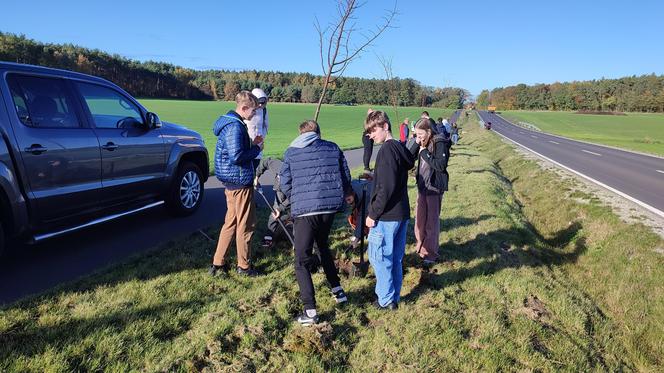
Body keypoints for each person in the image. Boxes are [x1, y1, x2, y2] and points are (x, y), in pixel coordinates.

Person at [280, 120, 353, 325]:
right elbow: (345, 176)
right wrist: (346, 193)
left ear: (300, 133)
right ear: (318, 133)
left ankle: (310, 311)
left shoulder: (291, 152)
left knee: (301, 260)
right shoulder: (333, 147)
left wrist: (296, 198)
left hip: (305, 211)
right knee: (322, 245)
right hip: (329, 209)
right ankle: (338, 290)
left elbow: (284, 183)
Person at [364, 110, 415, 310]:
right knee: (394, 258)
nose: (371, 135)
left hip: (386, 216)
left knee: (380, 258)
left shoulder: (386, 151)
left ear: (385, 126)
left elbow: (386, 188)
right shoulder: (399, 149)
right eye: (369, 132)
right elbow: (390, 180)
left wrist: (372, 214)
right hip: (401, 213)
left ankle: (385, 300)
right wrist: (375, 178)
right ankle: (393, 298)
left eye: (373, 130)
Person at [210, 91, 263, 277]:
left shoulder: (231, 124)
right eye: (254, 111)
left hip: (232, 182)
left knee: (230, 223)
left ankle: (218, 263)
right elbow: (237, 156)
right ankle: (244, 266)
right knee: (246, 225)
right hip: (239, 182)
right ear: (244, 108)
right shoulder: (236, 127)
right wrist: (256, 149)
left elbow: (237, 151)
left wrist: (252, 144)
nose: (255, 114)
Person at [409, 118, 450, 266]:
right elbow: (409, 157)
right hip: (422, 187)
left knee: (431, 222)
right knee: (419, 221)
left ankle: (430, 254)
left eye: (421, 134)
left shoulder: (440, 142)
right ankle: (421, 249)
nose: (419, 137)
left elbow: (440, 165)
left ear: (429, 131)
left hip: (434, 188)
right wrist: (416, 142)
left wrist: (424, 153)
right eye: (416, 134)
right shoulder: (422, 142)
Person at [255, 157, 291, 248]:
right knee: (274, 215)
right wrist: (256, 176)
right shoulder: (279, 166)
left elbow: (293, 198)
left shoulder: (297, 177)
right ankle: (269, 237)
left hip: (294, 196)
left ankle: (297, 239)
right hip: (280, 193)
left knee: (294, 216)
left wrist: (280, 208)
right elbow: (266, 162)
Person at [245, 88, 269, 170]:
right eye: (258, 102)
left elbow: (266, 125)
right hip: (247, 142)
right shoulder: (248, 109)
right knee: (248, 163)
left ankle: (255, 179)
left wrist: (262, 137)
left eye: (263, 102)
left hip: (259, 141)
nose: (260, 105)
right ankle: (252, 180)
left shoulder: (264, 111)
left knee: (256, 163)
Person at [362, 108, 375, 174]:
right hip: (367, 137)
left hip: (370, 137)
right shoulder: (367, 120)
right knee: (367, 152)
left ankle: (367, 167)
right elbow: (367, 128)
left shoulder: (371, 120)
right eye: (371, 113)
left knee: (369, 152)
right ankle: (366, 168)